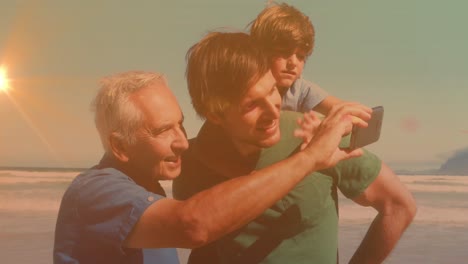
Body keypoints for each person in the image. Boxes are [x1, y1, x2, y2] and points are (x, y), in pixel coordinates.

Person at [53, 70, 371, 264]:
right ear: (120, 146)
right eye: (163, 131)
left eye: (181, 125)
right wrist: (308, 158)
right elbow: (194, 225)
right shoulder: (95, 193)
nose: (182, 142)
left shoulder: (146, 189)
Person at [172, 32, 416, 264]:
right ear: (215, 114)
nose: (272, 111)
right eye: (252, 105)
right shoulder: (193, 162)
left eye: (272, 91)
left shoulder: (315, 135)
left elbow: (398, 206)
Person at [249, 2, 343, 115]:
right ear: (261, 50)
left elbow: (345, 110)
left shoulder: (299, 89)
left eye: (300, 56)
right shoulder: (245, 83)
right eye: (283, 52)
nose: (293, 63)